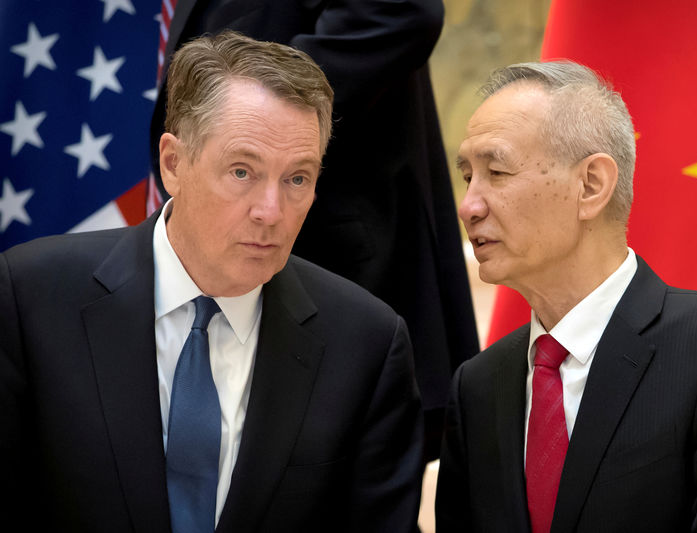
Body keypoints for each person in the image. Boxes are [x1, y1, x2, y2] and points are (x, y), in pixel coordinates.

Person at [0, 31, 423, 532]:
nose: (271, 212)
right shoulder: (29, 297)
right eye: (242, 172)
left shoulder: (366, 344)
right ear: (173, 164)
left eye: (297, 178)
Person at [435, 60, 697, 532]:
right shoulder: (477, 385)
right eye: (467, 177)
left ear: (591, 186)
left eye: (497, 172)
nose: (469, 206)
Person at [150, 0, 480, 460]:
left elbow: (402, 10)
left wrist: (253, 110)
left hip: (334, 258)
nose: (269, 209)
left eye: (297, 177)